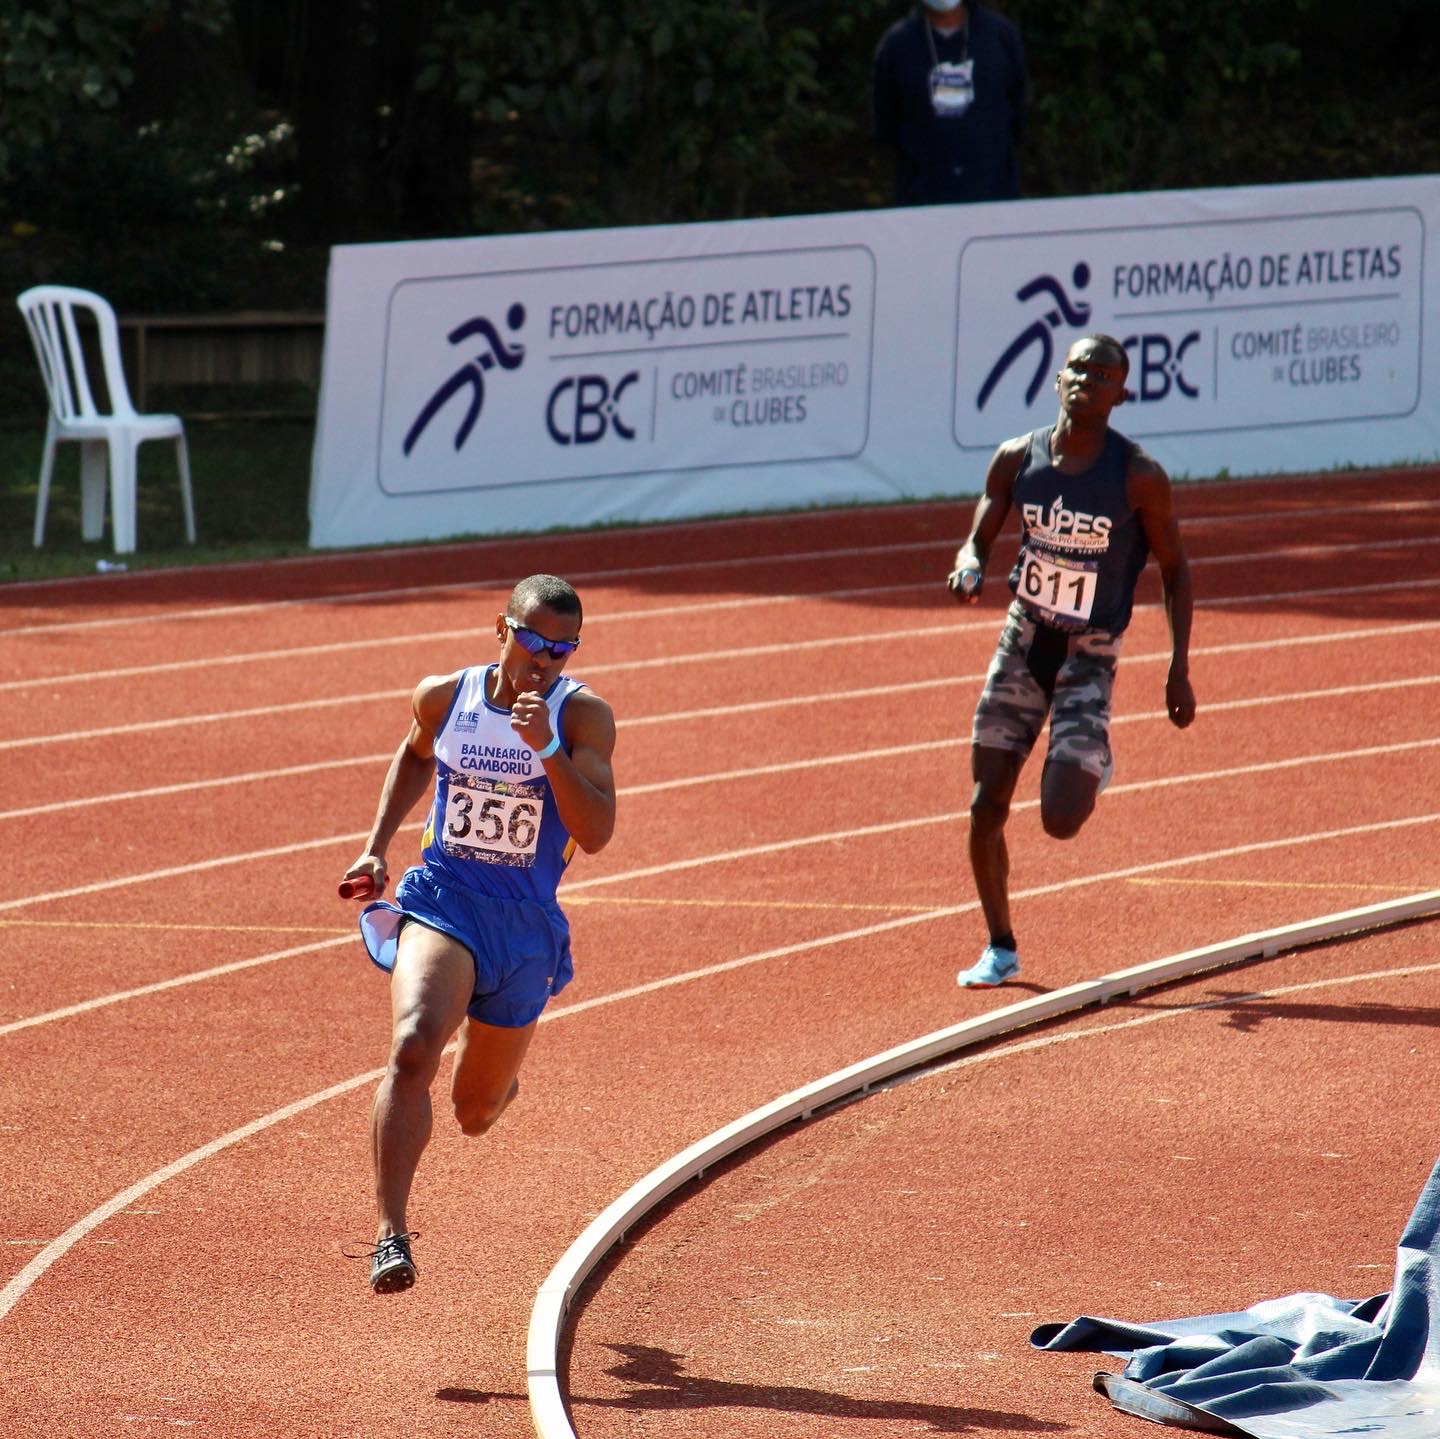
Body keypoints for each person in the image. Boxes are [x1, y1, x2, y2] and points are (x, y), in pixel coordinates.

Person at [341, 573, 617, 1293]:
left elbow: (597, 833)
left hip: (523, 928)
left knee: (474, 1111)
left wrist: (548, 746)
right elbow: (415, 752)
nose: (544, 658)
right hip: (444, 900)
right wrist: (376, 843)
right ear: (502, 629)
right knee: (410, 1049)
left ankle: (500, 1077)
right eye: (532, 640)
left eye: (562, 648)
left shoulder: (583, 717)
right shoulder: (446, 695)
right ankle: (388, 1233)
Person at [946, 335, 1195, 988]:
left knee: (1059, 820)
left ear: (1121, 393)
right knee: (983, 806)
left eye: (1104, 372)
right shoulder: (1016, 459)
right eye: (1080, 366)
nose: (1089, 377)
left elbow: (1174, 567)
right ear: (1059, 379)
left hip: (1089, 653)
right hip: (1025, 639)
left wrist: (1178, 665)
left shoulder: (1139, 476)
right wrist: (970, 559)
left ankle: (1095, 758)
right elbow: (983, 526)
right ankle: (1000, 947)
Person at [871, 0, 1028, 207]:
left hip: (993, 195)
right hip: (921, 199)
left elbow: (1018, 111)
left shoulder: (1000, 36)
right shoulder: (897, 43)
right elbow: (886, 122)